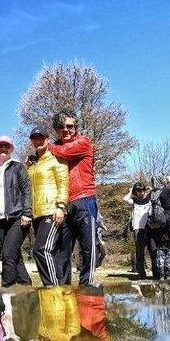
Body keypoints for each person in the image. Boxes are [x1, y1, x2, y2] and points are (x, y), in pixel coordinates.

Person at [48, 111, 101, 286]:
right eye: (61, 126)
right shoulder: (55, 146)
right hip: (63, 203)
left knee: (88, 246)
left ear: (76, 127)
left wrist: (46, 147)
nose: (66, 129)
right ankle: (64, 286)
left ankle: (86, 284)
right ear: (56, 129)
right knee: (63, 248)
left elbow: (64, 152)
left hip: (85, 199)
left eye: (69, 126)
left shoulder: (83, 142)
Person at [27, 127, 69, 287]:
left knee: (41, 250)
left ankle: (52, 288)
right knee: (52, 252)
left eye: (41, 138)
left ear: (47, 139)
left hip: (52, 211)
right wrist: (28, 166)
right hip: (36, 214)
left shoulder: (56, 158)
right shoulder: (33, 164)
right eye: (34, 138)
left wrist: (60, 206)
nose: (37, 141)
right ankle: (59, 291)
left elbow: (64, 183)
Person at [0, 136, 33, 287]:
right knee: (15, 255)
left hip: (17, 217)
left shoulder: (17, 166)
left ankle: (6, 289)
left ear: (11, 149)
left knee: (8, 254)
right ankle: (26, 285)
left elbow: (27, 190)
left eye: (6, 146)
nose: (3, 149)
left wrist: (27, 213)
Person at [123, 182, 156, 279]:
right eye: (138, 191)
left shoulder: (149, 199)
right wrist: (130, 191)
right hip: (138, 228)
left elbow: (157, 195)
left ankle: (156, 271)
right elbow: (125, 199)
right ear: (135, 192)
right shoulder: (134, 201)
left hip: (150, 227)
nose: (141, 193)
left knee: (153, 250)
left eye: (142, 190)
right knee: (140, 252)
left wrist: (151, 189)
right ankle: (141, 273)